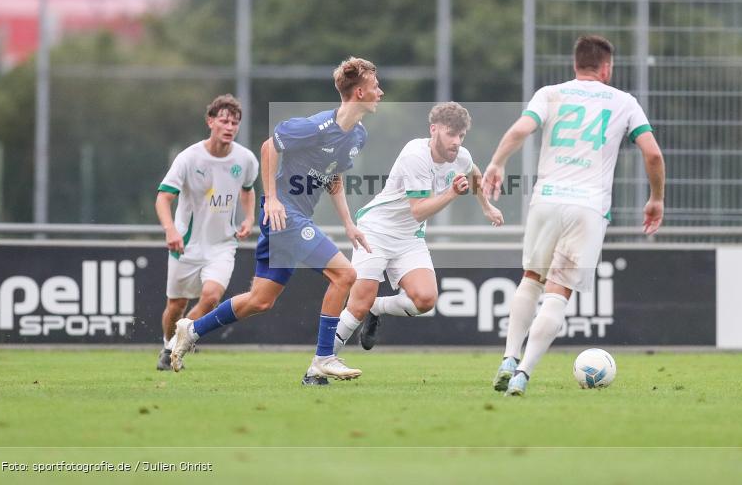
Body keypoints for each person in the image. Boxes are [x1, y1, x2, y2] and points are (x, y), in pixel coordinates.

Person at [170, 57, 382, 385]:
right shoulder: (314, 127)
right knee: (345, 275)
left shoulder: (357, 136)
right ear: (358, 93)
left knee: (261, 300)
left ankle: (192, 329)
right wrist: (270, 199)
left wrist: (348, 223)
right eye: (374, 86)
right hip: (284, 215)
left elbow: (333, 177)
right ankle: (322, 360)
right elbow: (270, 147)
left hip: (293, 218)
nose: (380, 92)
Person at [482, 35, 665, 396]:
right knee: (557, 293)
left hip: (547, 199)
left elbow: (521, 128)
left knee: (531, 279)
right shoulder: (624, 102)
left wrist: (496, 163)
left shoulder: (551, 93)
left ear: (575, 64)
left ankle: (507, 357)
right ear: (607, 68)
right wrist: (656, 198)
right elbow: (653, 154)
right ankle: (522, 375)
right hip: (588, 207)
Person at [332, 102, 504, 354]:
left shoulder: (461, 156)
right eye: (451, 134)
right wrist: (452, 193)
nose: (456, 141)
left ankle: (376, 307)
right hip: (376, 231)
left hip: (409, 237)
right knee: (357, 305)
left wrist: (486, 206)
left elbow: (473, 171)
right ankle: (321, 363)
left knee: (425, 300)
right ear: (433, 130)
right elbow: (419, 210)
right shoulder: (415, 155)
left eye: (461, 135)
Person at [155, 94, 258, 371]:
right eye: (224, 121)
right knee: (176, 305)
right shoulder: (189, 158)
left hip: (222, 245)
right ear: (210, 122)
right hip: (186, 245)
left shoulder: (245, 159)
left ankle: (173, 347)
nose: (230, 127)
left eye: (234, 123)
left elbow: (248, 191)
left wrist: (248, 218)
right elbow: (163, 198)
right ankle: (168, 340)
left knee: (211, 296)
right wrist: (171, 231)